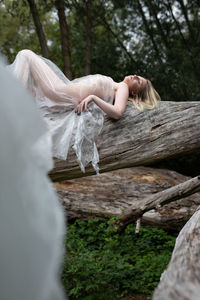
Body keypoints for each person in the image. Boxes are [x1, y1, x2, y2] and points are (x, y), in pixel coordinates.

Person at [7, 49, 160, 173]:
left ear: (134, 93)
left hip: (62, 92)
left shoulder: (123, 87)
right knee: (26, 86)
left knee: (26, 55)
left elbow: (118, 112)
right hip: (63, 93)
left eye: (138, 80)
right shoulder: (117, 85)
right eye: (138, 76)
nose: (134, 76)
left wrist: (93, 97)